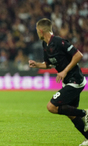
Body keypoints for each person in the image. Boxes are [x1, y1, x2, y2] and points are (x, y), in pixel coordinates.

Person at [28, 18, 88, 146]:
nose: (36, 33)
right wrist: (37, 65)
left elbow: (78, 55)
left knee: (51, 106)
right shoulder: (45, 44)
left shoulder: (59, 41)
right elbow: (49, 64)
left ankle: (85, 113)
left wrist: (65, 71)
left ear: (40, 30)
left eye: (36, 31)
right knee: (70, 113)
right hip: (68, 82)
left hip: (75, 80)